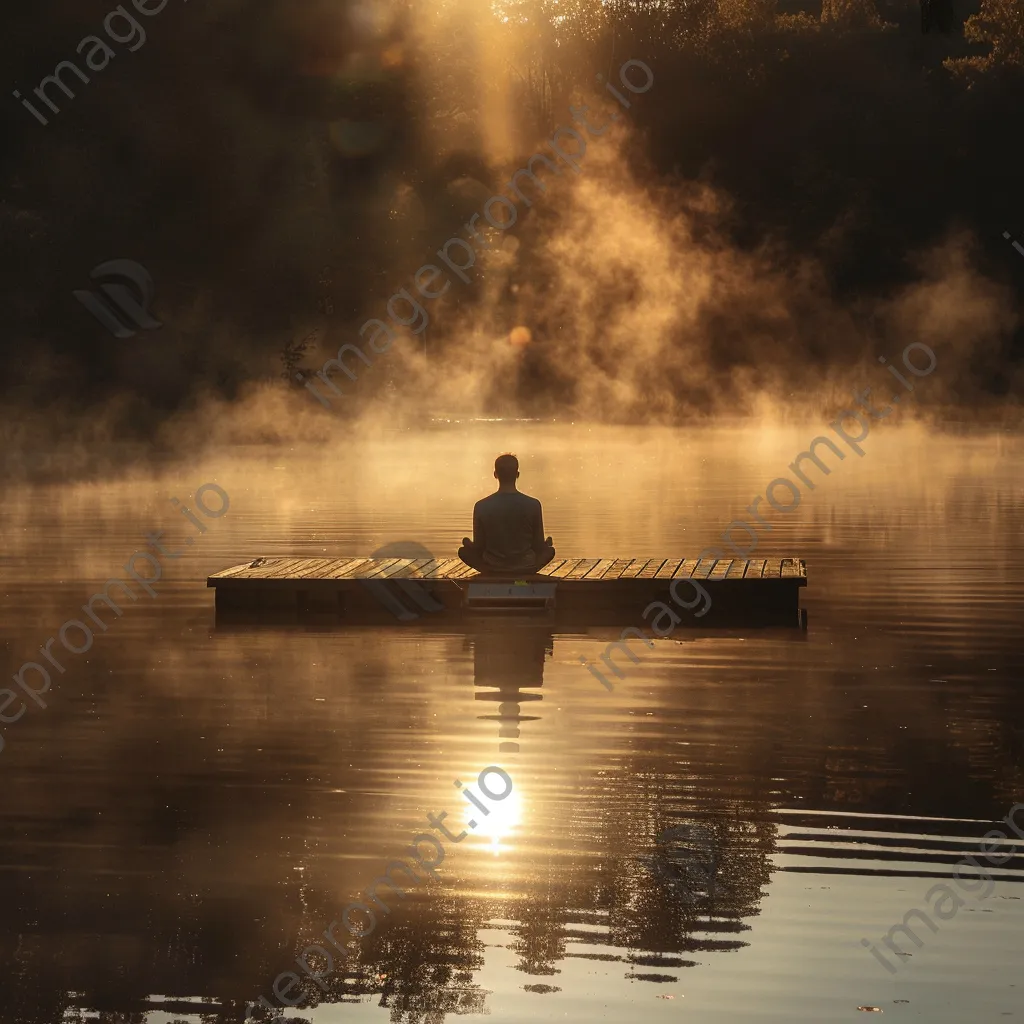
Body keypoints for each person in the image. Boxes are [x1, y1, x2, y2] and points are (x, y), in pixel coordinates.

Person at [458, 453, 556, 574]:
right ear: (517, 475)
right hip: (525, 566)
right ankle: (523, 572)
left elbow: (479, 546)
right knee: (549, 551)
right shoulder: (533, 504)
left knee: (463, 551)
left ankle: (491, 572)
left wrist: (468, 543)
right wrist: (547, 543)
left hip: (492, 565)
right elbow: (538, 545)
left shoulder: (481, 506)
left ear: (495, 475)